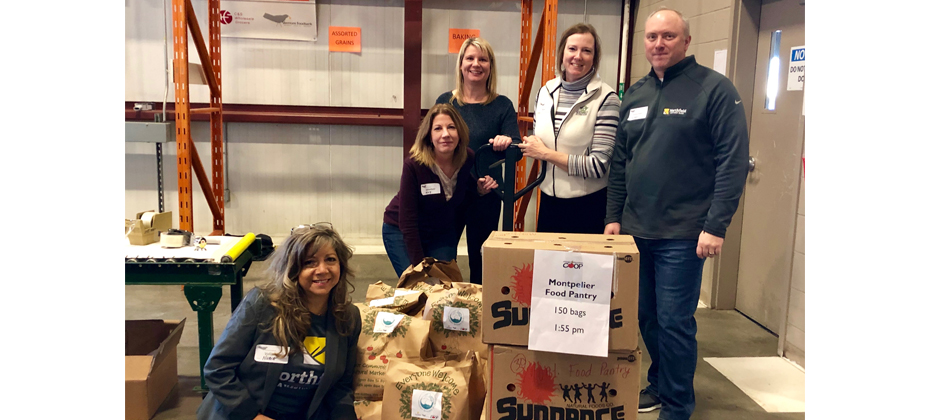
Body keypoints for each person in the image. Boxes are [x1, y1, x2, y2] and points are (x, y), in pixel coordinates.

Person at [603, 8, 750, 420]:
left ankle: (678, 405)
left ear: (686, 41)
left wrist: (715, 226)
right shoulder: (635, 93)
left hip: (684, 234)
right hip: (636, 230)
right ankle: (660, 383)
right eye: (651, 37)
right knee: (646, 317)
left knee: (674, 322)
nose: (658, 44)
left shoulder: (714, 90)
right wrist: (613, 215)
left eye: (668, 36)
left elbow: (732, 161)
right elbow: (620, 161)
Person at [197, 223, 361, 420]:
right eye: (310, 262)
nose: (322, 270)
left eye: (330, 260)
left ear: (341, 266)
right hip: (243, 414)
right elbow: (217, 369)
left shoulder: (347, 317)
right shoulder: (262, 304)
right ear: (293, 269)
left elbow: (340, 387)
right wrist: (252, 416)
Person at [517, 23, 621, 234]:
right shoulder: (545, 92)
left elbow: (598, 165)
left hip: (587, 207)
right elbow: (537, 142)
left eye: (586, 50)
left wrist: (546, 154)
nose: (578, 56)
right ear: (562, 53)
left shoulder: (606, 99)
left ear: (595, 57)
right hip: (548, 203)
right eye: (572, 49)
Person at [436, 37, 520, 284]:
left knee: (481, 260)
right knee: (442, 257)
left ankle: (479, 312)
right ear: (461, 64)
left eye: (482, 59)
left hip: (486, 194)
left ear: (490, 66)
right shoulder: (446, 102)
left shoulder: (502, 105)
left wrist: (507, 142)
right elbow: (429, 142)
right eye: (470, 58)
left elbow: (516, 146)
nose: (476, 64)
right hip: (449, 192)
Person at [382, 103, 499, 277]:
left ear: (459, 132)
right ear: (429, 135)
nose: (446, 134)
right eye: (438, 128)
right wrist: (420, 269)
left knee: (444, 284)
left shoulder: (467, 158)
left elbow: (462, 196)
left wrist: (480, 190)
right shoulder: (414, 164)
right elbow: (408, 222)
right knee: (417, 285)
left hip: (440, 232)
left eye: (451, 127)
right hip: (401, 230)